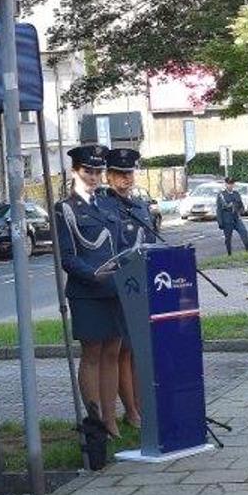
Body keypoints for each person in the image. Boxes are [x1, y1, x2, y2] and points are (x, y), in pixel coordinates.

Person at [54, 144, 128, 440]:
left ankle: (112, 420)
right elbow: (68, 257)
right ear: (75, 171)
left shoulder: (108, 204)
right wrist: (94, 275)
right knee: (93, 353)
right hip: (87, 291)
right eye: (89, 171)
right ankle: (96, 422)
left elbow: (122, 244)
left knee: (113, 352)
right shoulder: (65, 208)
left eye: (98, 171)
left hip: (116, 289)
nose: (95, 176)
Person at [104, 147, 157, 433]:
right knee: (124, 350)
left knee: (139, 350)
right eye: (119, 174)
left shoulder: (139, 206)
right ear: (109, 176)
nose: (126, 179)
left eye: (129, 173)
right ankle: (131, 411)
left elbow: (149, 240)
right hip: (122, 286)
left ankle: (143, 403)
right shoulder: (104, 206)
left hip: (145, 283)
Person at [215, 177, 248, 254]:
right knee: (228, 238)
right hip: (227, 219)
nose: (230, 185)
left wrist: (242, 210)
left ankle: (247, 250)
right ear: (226, 184)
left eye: (232, 184)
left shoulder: (236, 194)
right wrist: (220, 222)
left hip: (236, 218)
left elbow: (241, 205)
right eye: (229, 184)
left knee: (244, 232)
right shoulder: (222, 195)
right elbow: (219, 209)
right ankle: (229, 253)